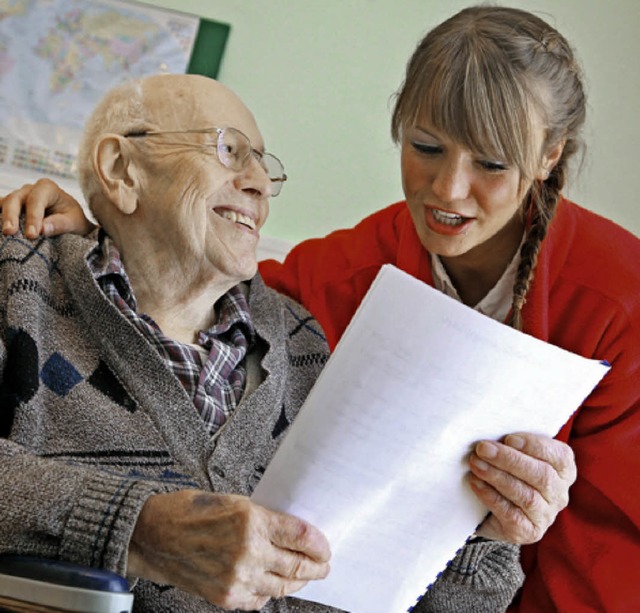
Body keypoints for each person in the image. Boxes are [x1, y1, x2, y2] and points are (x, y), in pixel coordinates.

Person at [0, 8, 590, 610]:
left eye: (263, 162)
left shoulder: (301, 342)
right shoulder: (20, 283)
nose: (259, 181)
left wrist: (482, 537)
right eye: (230, 151)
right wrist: (140, 529)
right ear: (122, 169)